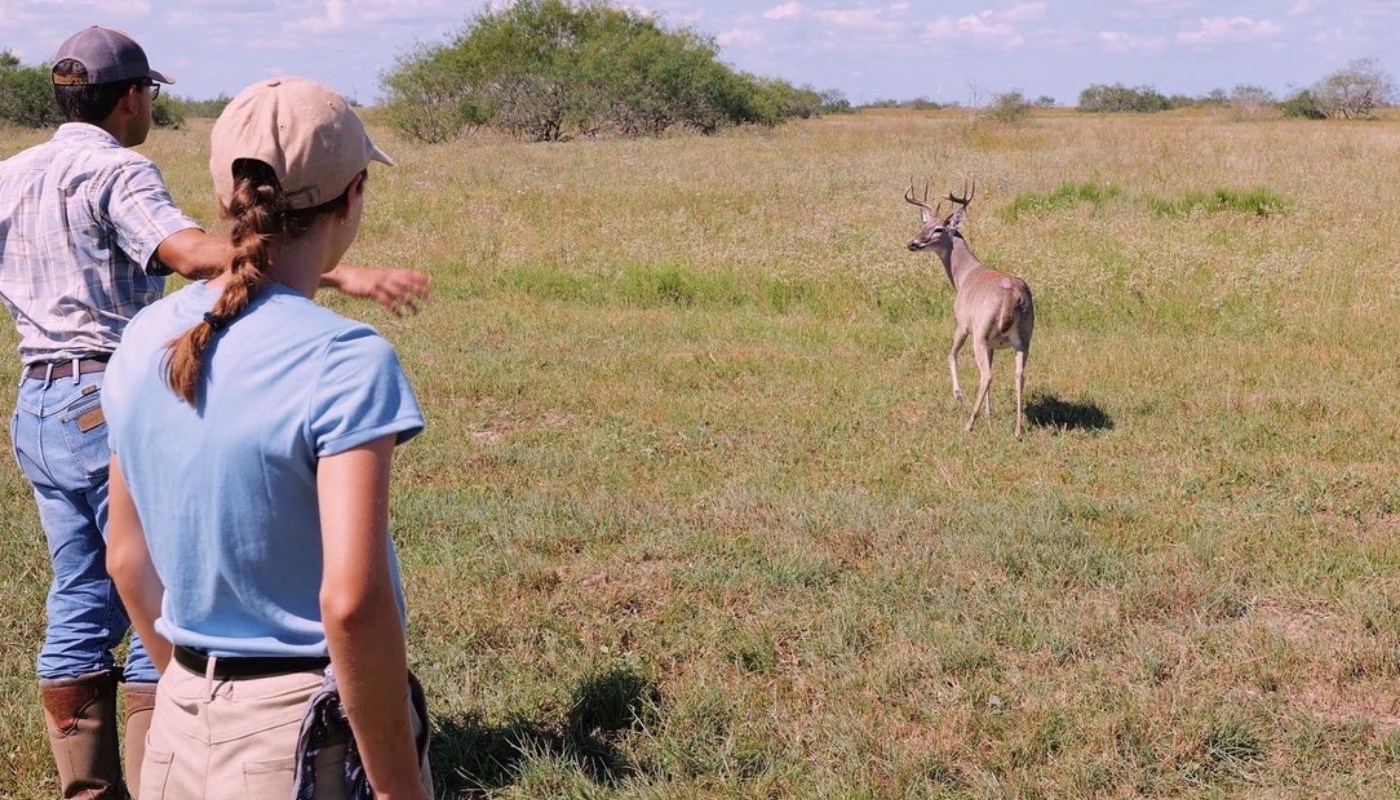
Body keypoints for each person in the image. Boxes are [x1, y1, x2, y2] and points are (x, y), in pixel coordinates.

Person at [0, 26, 429, 799]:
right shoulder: (345, 361)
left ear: (226, 189)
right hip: (290, 730)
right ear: (353, 193)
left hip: (41, 401)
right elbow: (353, 601)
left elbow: (128, 566)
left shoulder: (23, 185)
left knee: (77, 590)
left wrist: (196, 698)